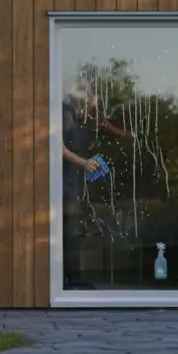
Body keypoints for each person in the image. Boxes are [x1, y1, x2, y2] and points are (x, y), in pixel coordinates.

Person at [60, 81, 134, 291]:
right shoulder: (66, 115)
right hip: (64, 182)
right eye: (93, 102)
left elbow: (101, 124)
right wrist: (84, 162)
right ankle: (70, 279)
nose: (95, 107)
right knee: (68, 231)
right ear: (83, 98)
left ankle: (72, 277)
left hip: (75, 182)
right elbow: (59, 147)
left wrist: (122, 134)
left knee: (74, 230)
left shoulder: (84, 119)